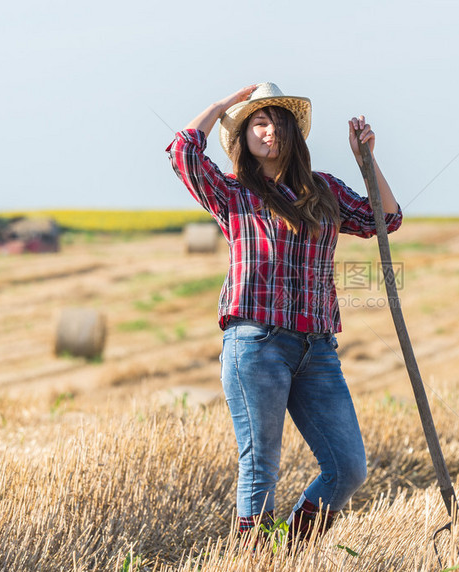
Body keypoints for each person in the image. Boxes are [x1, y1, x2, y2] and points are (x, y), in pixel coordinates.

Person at [166, 82, 402, 543]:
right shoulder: (231, 193)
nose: (269, 130)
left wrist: (366, 160)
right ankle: (256, 558)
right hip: (256, 344)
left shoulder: (325, 190)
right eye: (258, 122)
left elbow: (385, 220)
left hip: (318, 350)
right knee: (261, 466)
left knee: (349, 468)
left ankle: (292, 547)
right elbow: (182, 152)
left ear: (294, 133)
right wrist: (222, 106)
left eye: (277, 121)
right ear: (244, 138)